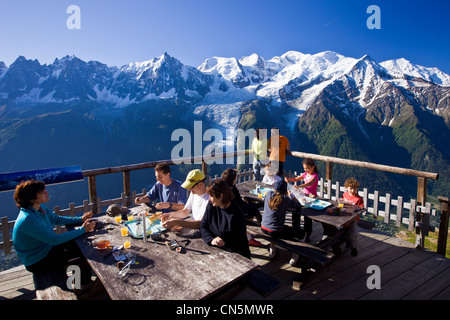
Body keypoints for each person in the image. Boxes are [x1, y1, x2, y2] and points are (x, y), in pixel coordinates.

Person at [12, 180, 98, 296]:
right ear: (32, 198)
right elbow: (54, 240)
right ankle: (83, 286)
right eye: (42, 192)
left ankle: (81, 282)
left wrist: (80, 219)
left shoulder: (38, 209)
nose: (46, 193)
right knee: (83, 251)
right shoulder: (28, 219)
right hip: (38, 261)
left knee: (82, 245)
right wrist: (83, 229)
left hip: (46, 250)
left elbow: (56, 219)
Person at [200, 179, 251, 259]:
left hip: (229, 255)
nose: (209, 199)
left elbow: (242, 242)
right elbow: (203, 225)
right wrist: (211, 239)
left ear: (221, 196)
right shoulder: (212, 205)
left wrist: (249, 263)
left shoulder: (236, 215)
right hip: (212, 249)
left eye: (211, 196)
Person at [260, 180, 304, 262]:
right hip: (275, 231)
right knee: (300, 233)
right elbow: (298, 206)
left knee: (284, 228)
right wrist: (291, 195)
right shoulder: (284, 199)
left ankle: (272, 251)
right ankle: (296, 256)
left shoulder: (269, 194)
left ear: (274, 189)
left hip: (263, 228)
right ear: (285, 191)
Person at [221, 168, 263, 247]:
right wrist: (259, 204)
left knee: (252, 206)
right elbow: (242, 206)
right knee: (254, 209)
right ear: (233, 179)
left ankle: (250, 236)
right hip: (237, 215)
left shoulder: (223, 188)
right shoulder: (233, 189)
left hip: (228, 214)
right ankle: (262, 229)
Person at [285, 158, 318, 242]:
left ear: (313, 167)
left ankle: (308, 234)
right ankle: (296, 231)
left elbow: (309, 183)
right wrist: (288, 179)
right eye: (304, 168)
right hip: (303, 197)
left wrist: (298, 187)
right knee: (296, 212)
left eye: (307, 168)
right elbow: (296, 179)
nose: (306, 170)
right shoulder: (305, 174)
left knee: (307, 216)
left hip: (311, 197)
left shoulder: (315, 176)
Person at [341, 177, 364, 257]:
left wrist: (359, 209)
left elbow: (361, 209)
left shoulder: (358, 199)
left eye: (355, 188)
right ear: (346, 188)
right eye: (351, 188)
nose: (353, 190)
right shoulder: (344, 195)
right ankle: (344, 240)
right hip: (344, 216)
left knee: (353, 233)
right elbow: (341, 202)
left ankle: (354, 247)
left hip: (353, 218)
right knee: (339, 229)